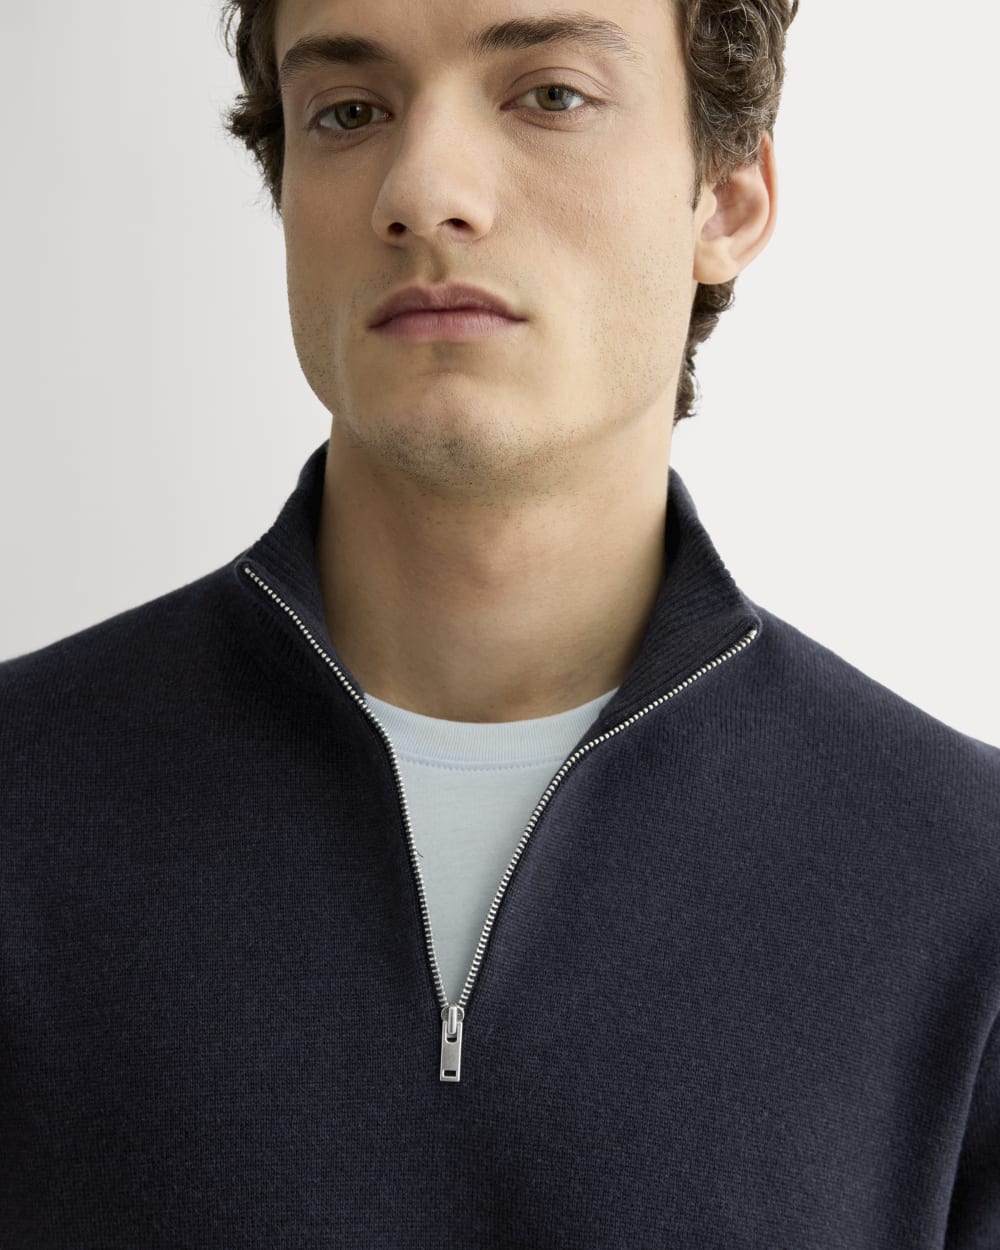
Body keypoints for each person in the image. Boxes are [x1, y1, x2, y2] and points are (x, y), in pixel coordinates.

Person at [1, 0, 997, 1245]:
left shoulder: (966, 891)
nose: (423, 192)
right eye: (349, 112)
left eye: (550, 95)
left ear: (727, 198)